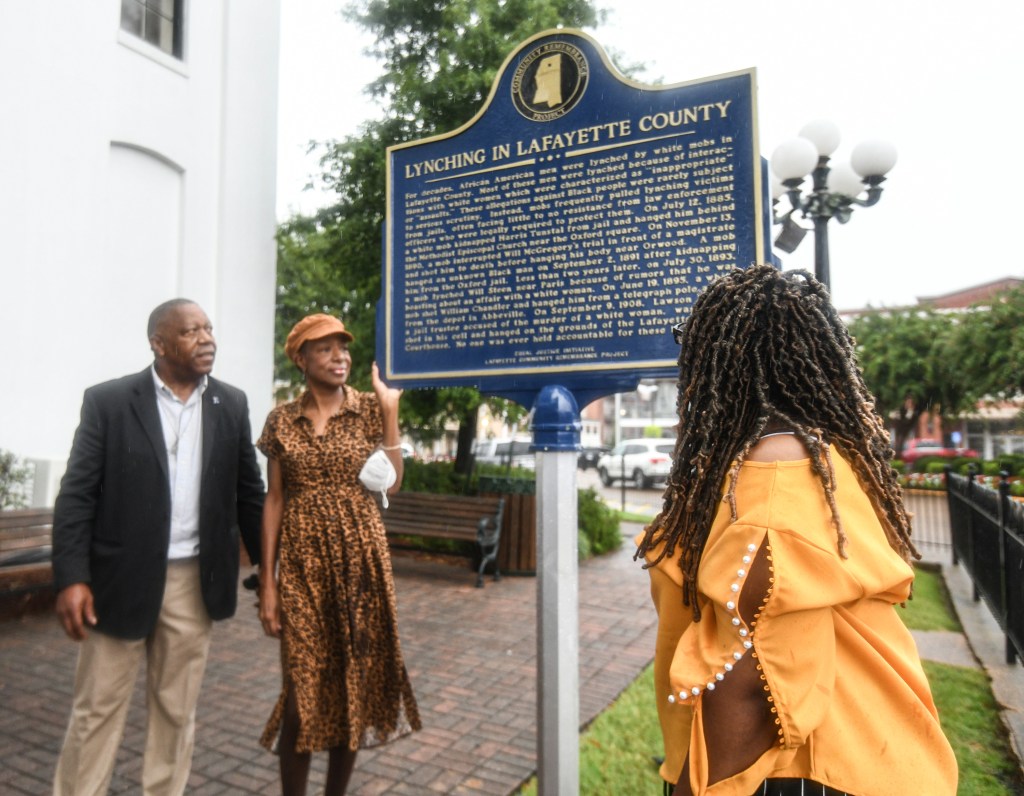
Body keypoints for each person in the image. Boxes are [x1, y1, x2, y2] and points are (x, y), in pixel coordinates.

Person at [635, 266, 958, 796]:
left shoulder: (775, 479)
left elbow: (746, 682)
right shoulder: (808, 459)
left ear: (716, 365)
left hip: (800, 773)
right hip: (863, 757)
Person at [51, 298, 265, 796]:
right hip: (118, 581)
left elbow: (249, 494)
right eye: (191, 331)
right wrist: (72, 577)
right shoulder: (109, 401)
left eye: (209, 328)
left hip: (194, 581)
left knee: (176, 711)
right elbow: (78, 494)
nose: (207, 339)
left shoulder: (231, 404)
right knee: (96, 709)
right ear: (159, 343)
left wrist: (270, 572)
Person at [257, 313, 421, 795]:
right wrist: (268, 583)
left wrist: (390, 412)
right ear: (301, 359)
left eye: (343, 348)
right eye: (325, 348)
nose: (339, 356)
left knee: (353, 687)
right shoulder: (281, 420)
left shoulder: (370, 408)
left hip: (360, 561)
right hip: (302, 566)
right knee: (301, 693)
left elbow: (392, 483)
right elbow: (274, 500)